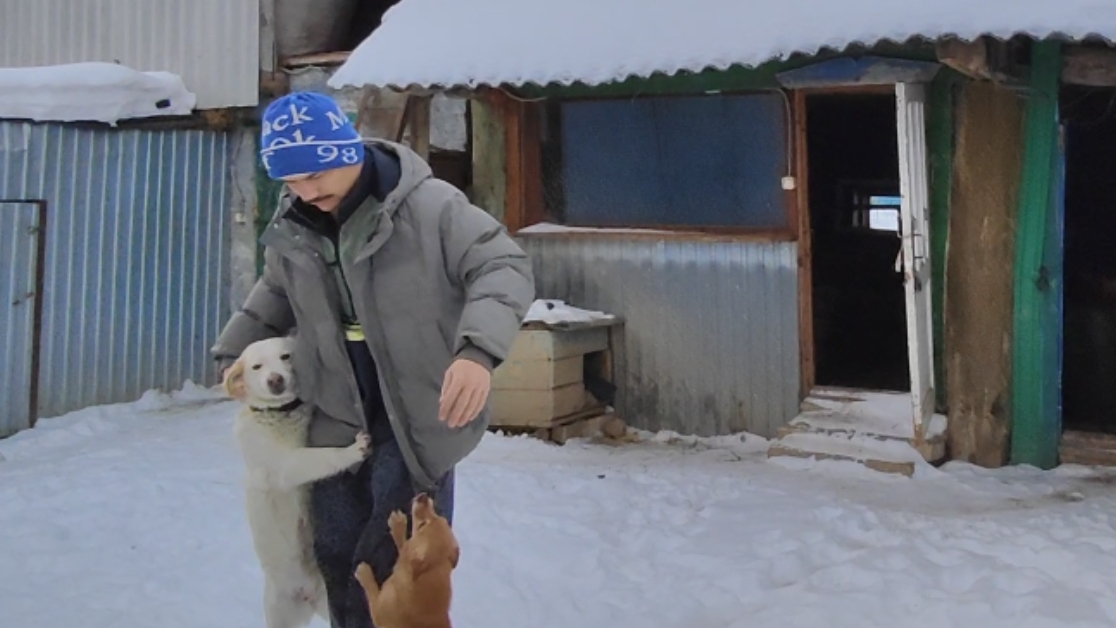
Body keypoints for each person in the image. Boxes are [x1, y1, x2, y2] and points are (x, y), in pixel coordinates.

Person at [211, 91, 535, 628]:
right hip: (336, 411)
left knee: (395, 560)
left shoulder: (431, 207)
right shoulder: (296, 224)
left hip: (417, 413)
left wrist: (477, 352)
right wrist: (232, 354)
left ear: (347, 150)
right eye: (290, 181)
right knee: (337, 557)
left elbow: (501, 266)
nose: (305, 192)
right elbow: (275, 293)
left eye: (315, 175)